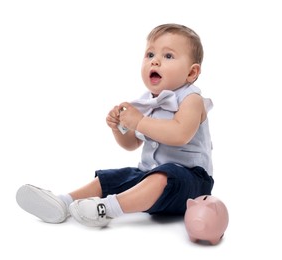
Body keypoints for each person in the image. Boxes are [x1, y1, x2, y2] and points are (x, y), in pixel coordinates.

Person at [16, 23, 214, 228]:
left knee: (162, 176)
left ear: (191, 73)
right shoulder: (146, 102)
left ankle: (105, 210)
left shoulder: (192, 100)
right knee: (114, 178)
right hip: (150, 176)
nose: (155, 61)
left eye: (168, 56)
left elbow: (180, 134)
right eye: (150, 54)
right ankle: (64, 202)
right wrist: (120, 128)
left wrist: (139, 121)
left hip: (192, 183)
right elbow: (132, 144)